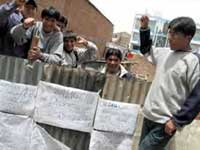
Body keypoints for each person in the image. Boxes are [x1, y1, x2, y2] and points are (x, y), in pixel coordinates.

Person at [139, 15, 200, 150]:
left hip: (165, 123)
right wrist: (144, 28)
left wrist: (177, 121)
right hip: (148, 116)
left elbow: (197, 97)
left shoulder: (193, 61)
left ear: (188, 38)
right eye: (169, 32)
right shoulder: (165, 53)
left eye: (175, 34)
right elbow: (145, 50)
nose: (169, 37)